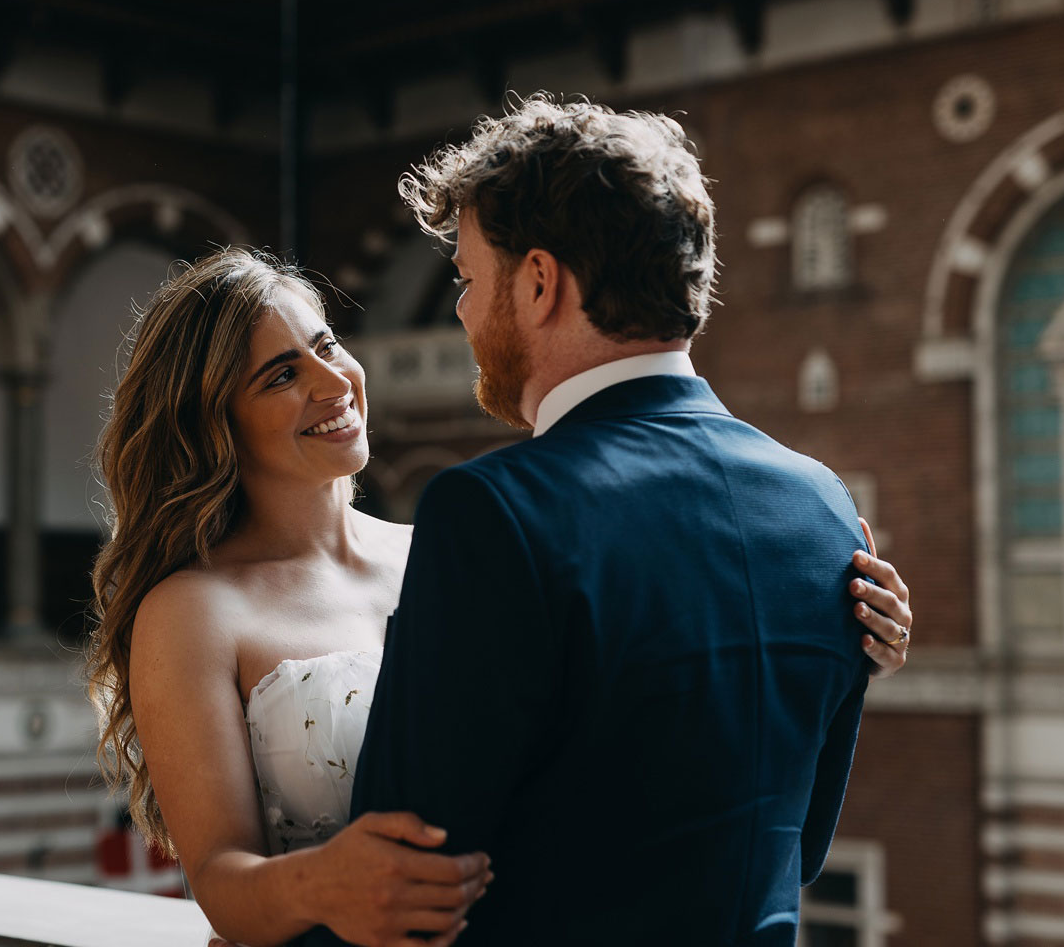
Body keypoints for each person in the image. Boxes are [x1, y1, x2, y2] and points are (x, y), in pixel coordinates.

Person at [87, 223, 911, 942]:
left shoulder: (448, 550)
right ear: (210, 422)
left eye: (327, 345)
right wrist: (318, 888)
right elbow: (225, 882)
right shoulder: (192, 612)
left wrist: (838, 639)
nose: (334, 384)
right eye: (278, 375)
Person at [297, 95, 908, 945]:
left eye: (470, 281)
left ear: (541, 282)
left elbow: (408, 874)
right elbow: (797, 847)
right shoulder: (826, 508)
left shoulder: (493, 512)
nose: (467, 314)